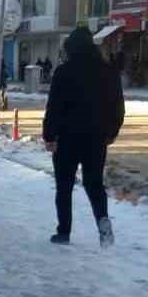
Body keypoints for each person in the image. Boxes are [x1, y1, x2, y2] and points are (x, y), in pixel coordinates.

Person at [44, 26, 124, 247]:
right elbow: (118, 106)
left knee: (64, 186)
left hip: (67, 138)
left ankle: (63, 232)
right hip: (96, 138)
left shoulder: (63, 72)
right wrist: (112, 132)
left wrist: (49, 136)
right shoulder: (108, 72)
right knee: (94, 184)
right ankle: (102, 222)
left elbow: (54, 107)